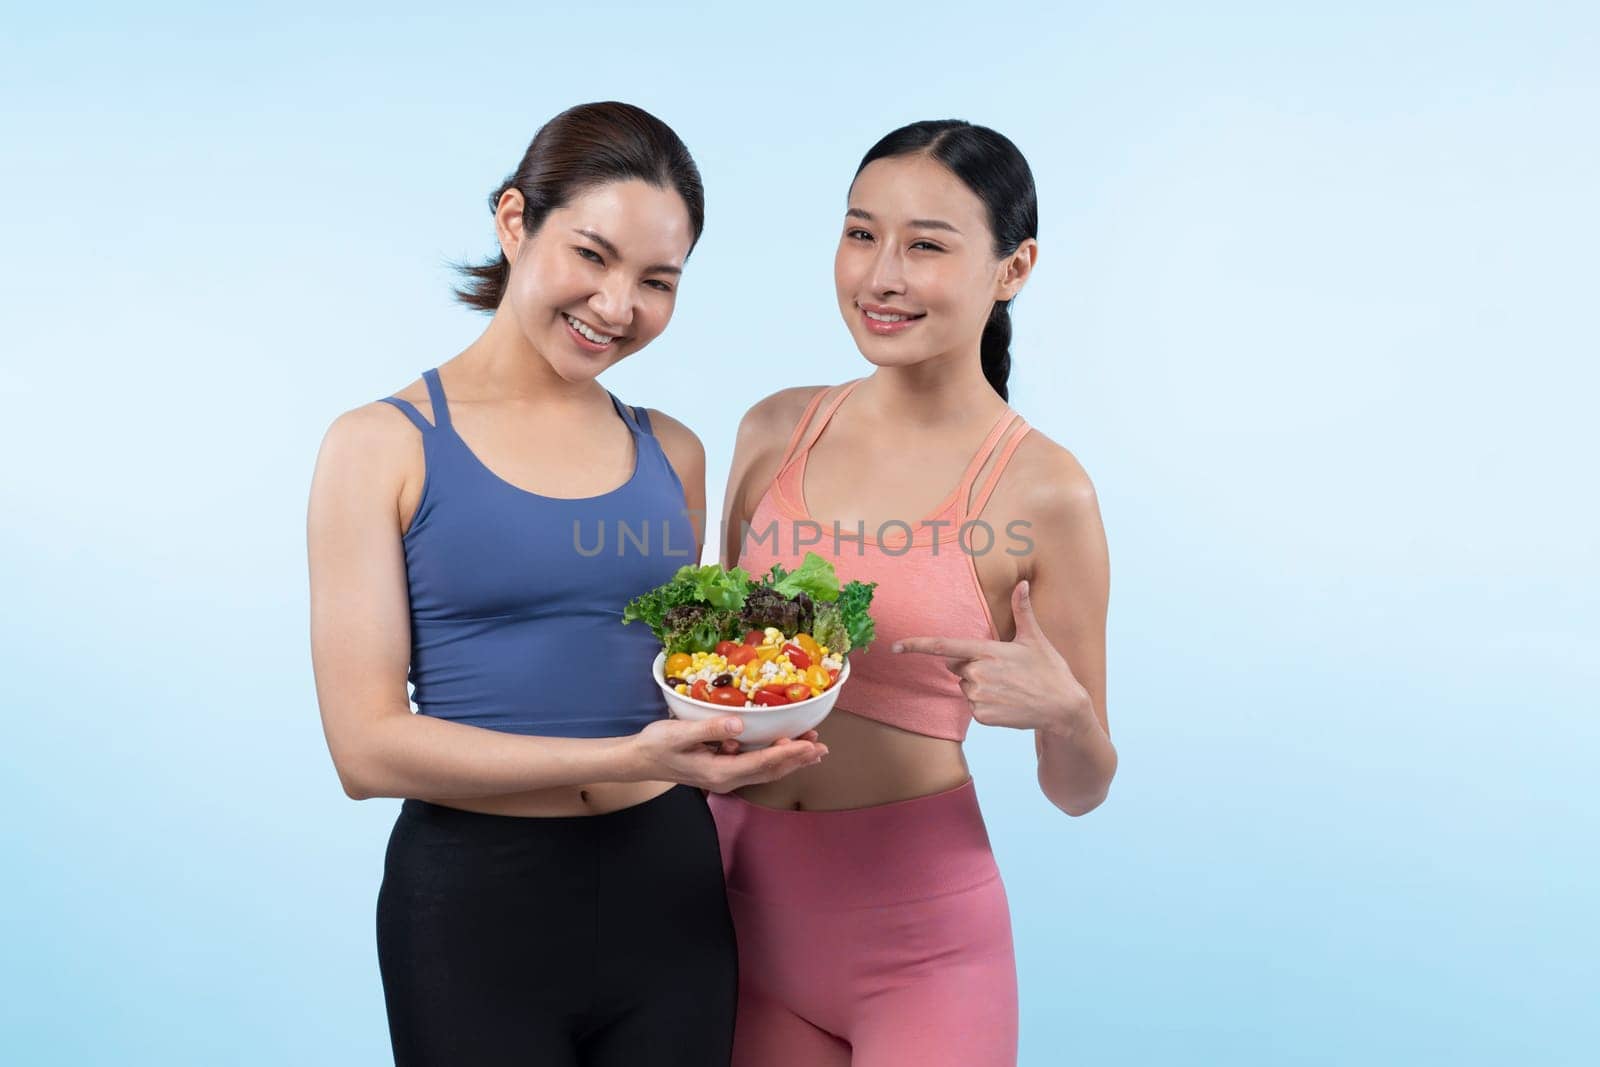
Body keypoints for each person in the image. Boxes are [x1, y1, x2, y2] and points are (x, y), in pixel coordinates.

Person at [306, 101, 826, 1067]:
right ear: (514, 223)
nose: (618, 306)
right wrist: (633, 757)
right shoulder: (379, 447)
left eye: (657, 280)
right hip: (471, 909)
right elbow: (365, 750)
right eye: (592, 254)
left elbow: (698, 677)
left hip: (669, 892)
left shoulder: (673, 452)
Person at [710, 120, 1118, 1066]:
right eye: (861, 234)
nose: (880, 275)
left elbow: (1081, 788)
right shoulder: (776, 429)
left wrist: (1063, 715)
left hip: (920, 947)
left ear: (1012, 268)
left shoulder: (1045, 491)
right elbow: (714, 670)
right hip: (727, 909)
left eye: (925, 245)